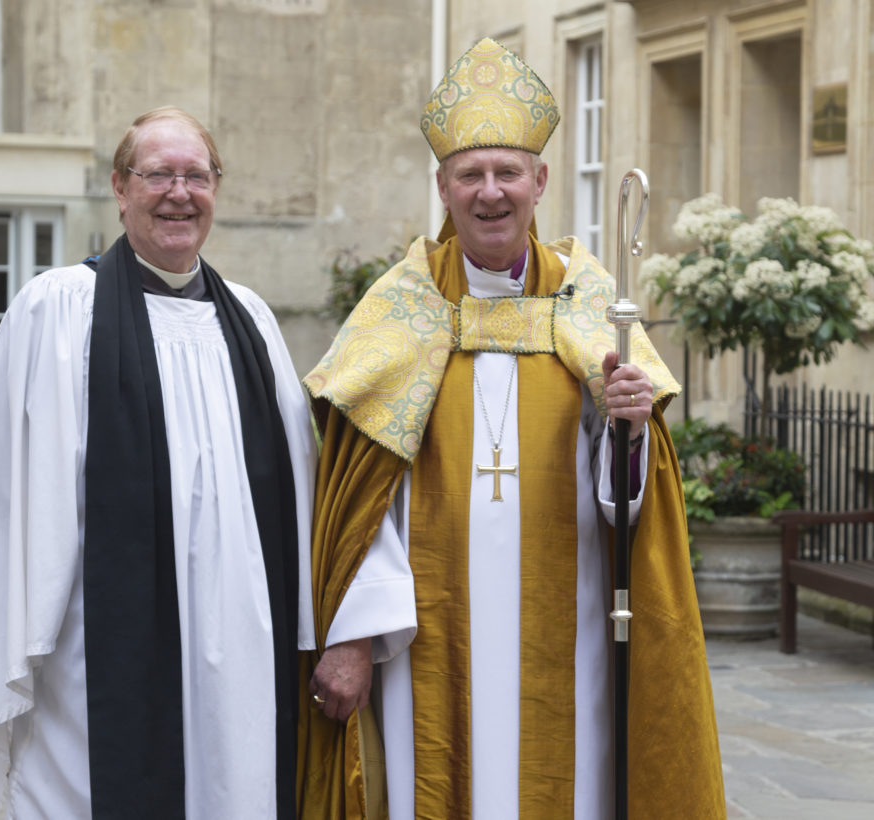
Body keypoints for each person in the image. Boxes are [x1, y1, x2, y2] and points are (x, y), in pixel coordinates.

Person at [297, 38, 725, 819]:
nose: (490, 193)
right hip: (424, 640)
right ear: (443, 186)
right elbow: (365, 504)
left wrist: (628, 432)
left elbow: (633, 511)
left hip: (568, 633)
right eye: (471, 175)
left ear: (540, 180)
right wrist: (354, 638)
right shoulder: (401, 311)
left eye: (507, 173)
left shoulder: (594, 306)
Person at [0, 106, 317, 820]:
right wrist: (23, 636)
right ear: (121, 190)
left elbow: (306, 486)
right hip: (96, 650)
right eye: (158, 174)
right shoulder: (59, 311)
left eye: (197, 175)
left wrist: (317, 636)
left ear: (217, 188)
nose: (179, 192)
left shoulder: (250, 320)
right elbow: (5, 489)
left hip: (240, 644)